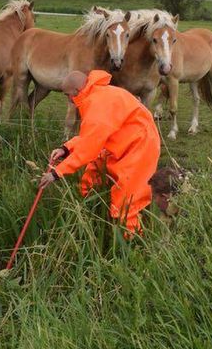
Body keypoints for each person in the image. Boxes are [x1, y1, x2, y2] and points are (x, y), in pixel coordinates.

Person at [40, 70, 161, 235]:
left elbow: (89, 147)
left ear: (76, 92)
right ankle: (90, 211)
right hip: (123, 143)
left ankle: (132, 245)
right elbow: (92, 137)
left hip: (139, 148)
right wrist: (65, 149)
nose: (68, 99)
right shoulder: (97, 96)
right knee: (92, 175)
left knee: (126, 202)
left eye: (67, 95)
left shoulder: (96, 105)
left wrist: (56, 173)